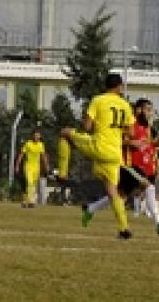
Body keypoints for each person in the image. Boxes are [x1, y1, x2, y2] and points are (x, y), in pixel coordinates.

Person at [81, 98, 159, 235]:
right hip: (126, 165)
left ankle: (90, 209)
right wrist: (130, 142)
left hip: (136, 169)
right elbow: (116, 138)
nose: (151, 113)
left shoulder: (147, 128)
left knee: (118, 196)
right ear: (138, 110)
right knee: (149, 187)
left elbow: (153, 144)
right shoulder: (129, 123)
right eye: (148, 110)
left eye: (151, 110)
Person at [59, 73, 135, 239]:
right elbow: (131, 131)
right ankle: (124, 228)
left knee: (65, 133)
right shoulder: (125, 105)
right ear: (118, 87)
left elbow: (87, 126)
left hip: (98, 146)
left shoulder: (98, 100)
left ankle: (62, 174)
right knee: (113, 192)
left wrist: (85, 123)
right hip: (115, 153)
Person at [15, 131, 48, 208]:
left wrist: (46, 166)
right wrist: (17, 166)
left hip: (37, 167)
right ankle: (31, 201)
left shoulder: (41, 145)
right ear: (33, 136)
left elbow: (43, 156)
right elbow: (21, 155)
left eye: (38, 136)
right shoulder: (28, 144)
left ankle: (24, 200)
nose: (37, 137)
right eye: (35, 135)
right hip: (28, 166)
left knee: (33, 184)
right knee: (29, 182)